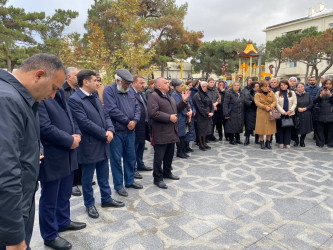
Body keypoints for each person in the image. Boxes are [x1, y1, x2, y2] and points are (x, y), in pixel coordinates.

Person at [0, 53, 65, 250]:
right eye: (54, 88)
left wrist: (33, 151)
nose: (53, 96)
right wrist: (14, 237)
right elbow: (5, 172)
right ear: (38, 75)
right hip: (8, 222)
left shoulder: (24, 98)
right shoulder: (7, 100)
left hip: (22, 204)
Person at [69, 70, 124, 219]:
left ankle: (106, 199)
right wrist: (104, 134)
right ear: (85, 82)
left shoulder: (94, 96)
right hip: (89, 144)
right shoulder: (75, 99)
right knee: (87, 178)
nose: (98, 83)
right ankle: (89, 204)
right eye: (95, 80)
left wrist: (111, 130)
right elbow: (84, 123)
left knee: (104, 174)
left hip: (103, 142)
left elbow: (105, 114)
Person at [38, 88, 86, 249]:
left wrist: (77, 134)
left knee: (65, 193)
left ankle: (63, 221)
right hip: (53, 156)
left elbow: (71, 118)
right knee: (50, 198)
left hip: (69, 153)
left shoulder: (59, 93)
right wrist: (69, 140)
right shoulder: (41, 95)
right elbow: (44, 127)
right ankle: (50, 235)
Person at [103, 69, 143, 197]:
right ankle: (119, 185)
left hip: (130, 131)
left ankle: (130, 181)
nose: (127, 86)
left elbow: (137, 107)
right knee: (116, 160)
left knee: (130, 157)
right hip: (117, 132)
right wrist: (127, 121)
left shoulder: (130, 90)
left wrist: (135, 121)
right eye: (125, 83)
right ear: (118, 81)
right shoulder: (109, 90)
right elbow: (112, 110)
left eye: (129, 84)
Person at [147, 77, 190, 189]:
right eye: (165, 83)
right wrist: (168, 117)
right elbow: (153, 113)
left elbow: (176, 109)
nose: (168, 84)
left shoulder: (168, 96)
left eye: (167, 82)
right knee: (159, 157)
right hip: (161, 132)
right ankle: (157, 178)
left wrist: (184, 101)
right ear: (159, 86)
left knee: (169, 155)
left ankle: (167, 172)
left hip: (171, 131)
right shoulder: (154, 96)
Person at [61, 67, 83, 197]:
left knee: (80, 156)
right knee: (72, 157)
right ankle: (73, 183)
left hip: (81, 128)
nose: (79, 78)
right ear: (69, 77)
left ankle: (80, 179)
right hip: (69, 130)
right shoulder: (62, 91)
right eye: (76, 75)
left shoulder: (79, 90)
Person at [131, 76, 153, 180]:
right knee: (134, 148)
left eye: (143, 83)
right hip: (136, 125)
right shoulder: (131, 93)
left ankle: (140, 164)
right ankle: (133, 169)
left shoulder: (141, 94)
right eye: (141, 83)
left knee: (141, 146)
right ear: (134, 83)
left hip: (144, 125)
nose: (143, 85)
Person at [171, 79, 193, 158]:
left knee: (183, 134)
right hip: (179, 117)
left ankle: (182, 150)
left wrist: (189, 111)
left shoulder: (180, 94)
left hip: (183, 117)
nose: (183, 87)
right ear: (176, 87)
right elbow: (178, 106)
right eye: (181, 86)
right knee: (180, 135)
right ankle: (179, 151)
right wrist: (186, 113)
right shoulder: (174, 95)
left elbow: (187, 104)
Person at [254, 80, 277, 149]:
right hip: (261, 112)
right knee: (261, 127)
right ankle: (261, 141)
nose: (267, 88)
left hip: (270, 111)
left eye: (268, 86)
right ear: (261, 87)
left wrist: (271, 107)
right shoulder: (257, 94)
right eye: (265, 86)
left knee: (270, 127)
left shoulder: (271, 93)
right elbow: (257, 102)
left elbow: (275, 101)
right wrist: (264, 107)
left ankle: (268, 141)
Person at [275, 80, 297, 149]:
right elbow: (277, 104)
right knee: (280, 129)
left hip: (290, 114)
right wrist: (283, 112)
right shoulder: (277, 93)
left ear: (287, 85)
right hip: (280, 114)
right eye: (281, 85)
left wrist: (290, 110)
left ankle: (287, 143)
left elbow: (295, 103)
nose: (283, 86)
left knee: (288, 129)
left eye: (284, 85)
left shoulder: (292, 93)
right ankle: (281, 142)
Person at [192, 81, 214, 151]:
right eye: (203, 87)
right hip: (200, 116)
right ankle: (200, 144)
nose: (205, 88)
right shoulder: (197, 95)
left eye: (205, 87)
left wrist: (212, 112)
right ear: (200, 87)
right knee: (200, 130)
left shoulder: (207, 94)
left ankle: (204, 143)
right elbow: (200, 107)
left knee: (205, 130)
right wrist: (207, 113)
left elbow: (211, 104)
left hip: (207, 115)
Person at [313, 79, 333, 147]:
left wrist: (330, 95)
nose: (328, 85)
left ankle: (330, 143)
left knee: (331, 130)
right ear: (324, 84)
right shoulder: (320, 91)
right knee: (320, 130)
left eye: (330, 84)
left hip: (331, 113)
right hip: (320, 113)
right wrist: (321, 95)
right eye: (326, 84)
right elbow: (315, 101)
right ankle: (320, 143)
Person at [294, 82, 313, 147]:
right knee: (296, 128)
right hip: (297, 114)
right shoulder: (294, 95)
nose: (300, 88)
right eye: (298, 87)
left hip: (306, 113)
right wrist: (297, 108)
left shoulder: (308, 94)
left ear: (304, 87)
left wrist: (305, 108)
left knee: (305, 128)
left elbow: (311, 104)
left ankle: (302, 141)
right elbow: (292, 104)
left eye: (301, 86)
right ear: (296, 88)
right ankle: (296, 141)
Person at [206, 77, 219, 141]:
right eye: (210, 82)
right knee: (208, 123)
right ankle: (207, 136)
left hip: (215, 108)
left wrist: (216, 103)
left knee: (213, 122)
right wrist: (212, 105)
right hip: (208, 109)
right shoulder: (205, 89)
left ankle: (212, 135)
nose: (212, 83)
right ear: (208, 83)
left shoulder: (215, 90)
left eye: (213, 82)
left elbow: (219, 98)